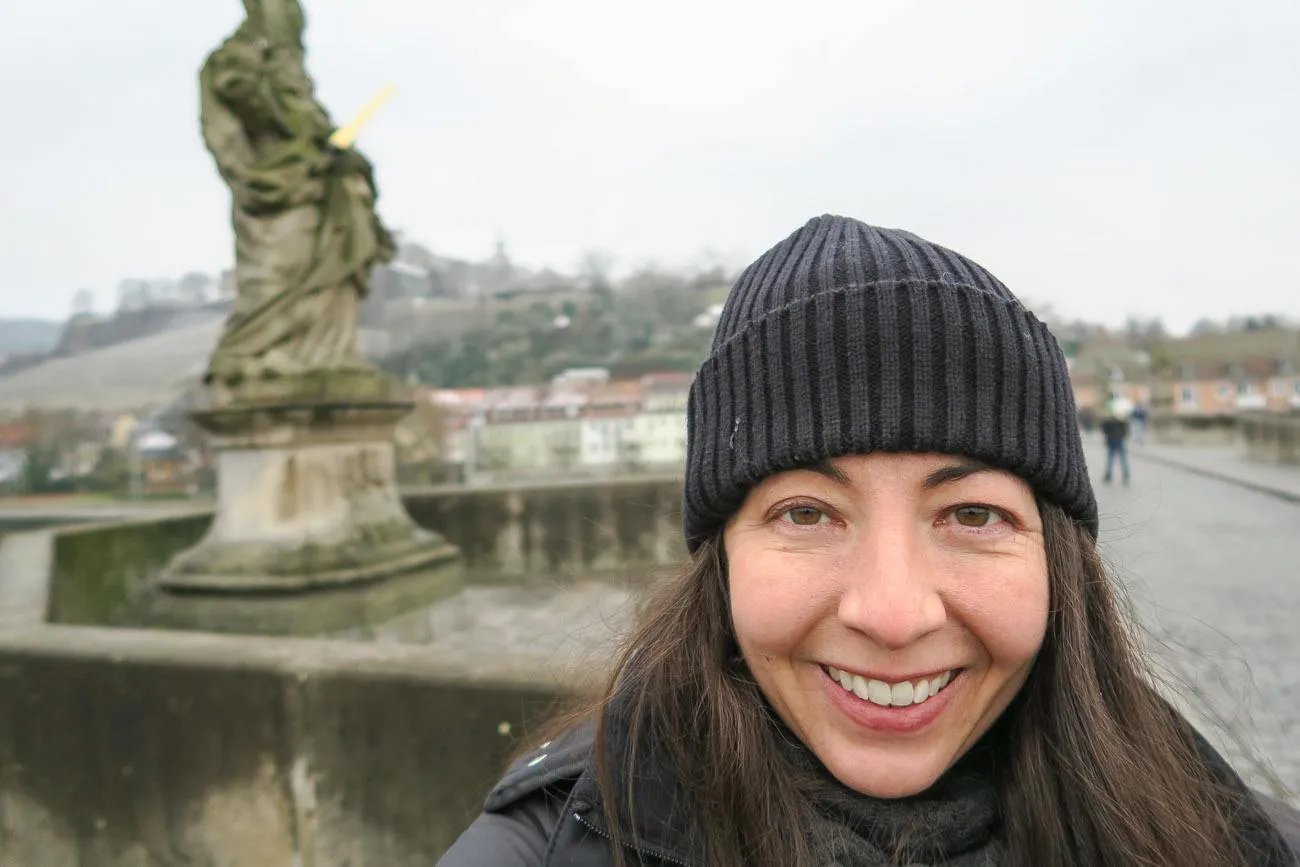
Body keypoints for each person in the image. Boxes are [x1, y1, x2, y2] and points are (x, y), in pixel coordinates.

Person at [439, 216, 1299, 866]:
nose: (892, 615)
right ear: (724, 556)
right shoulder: (540, 850)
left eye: (971, 515)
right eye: (806, 513)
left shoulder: (1232, 837)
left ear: (1057, 557)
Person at [1101, 409, 1132, 485]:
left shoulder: (1108, 421)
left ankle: (1109, 475)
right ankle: (1125, 474)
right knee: (1122, 458)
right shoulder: (1122, 422)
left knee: (1111, 458)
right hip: (1119, 440)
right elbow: (1126, 431)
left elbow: (1104, 430)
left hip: (1112, 441)